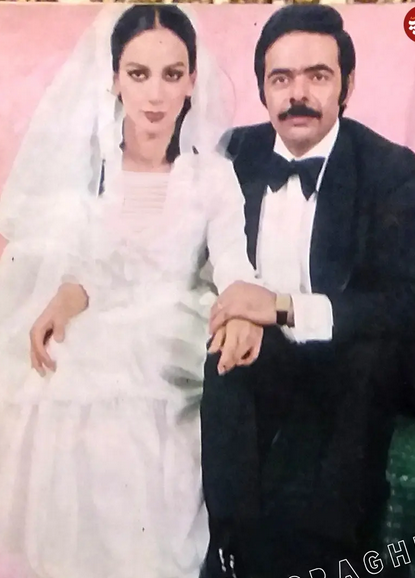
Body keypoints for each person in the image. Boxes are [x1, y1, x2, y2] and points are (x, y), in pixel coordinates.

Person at [0, 5, 262, 577]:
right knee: (59, 362)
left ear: (192, 81)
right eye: (138, 74)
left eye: (171, 74)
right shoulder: (98, 171)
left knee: (117, 375)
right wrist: (64, 301)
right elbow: (87, 270)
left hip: (173, 323)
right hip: (106, 313)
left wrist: (241, 310)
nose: (155, 94)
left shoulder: (209, 175)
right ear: (113, 79)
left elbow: (234, 264)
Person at [200, 5, 415, 578]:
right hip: (270, 354)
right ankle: (229, 553)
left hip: (352, 354)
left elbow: (401, 303)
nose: (298, 94)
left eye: (318, 76)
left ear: (347, 85)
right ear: (262, 90)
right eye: (281, 78)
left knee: (368, 362)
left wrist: (280, 307)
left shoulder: (391, 169)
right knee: (224, 360)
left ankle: (329, 560)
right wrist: (238, 311)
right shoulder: (231, 154)